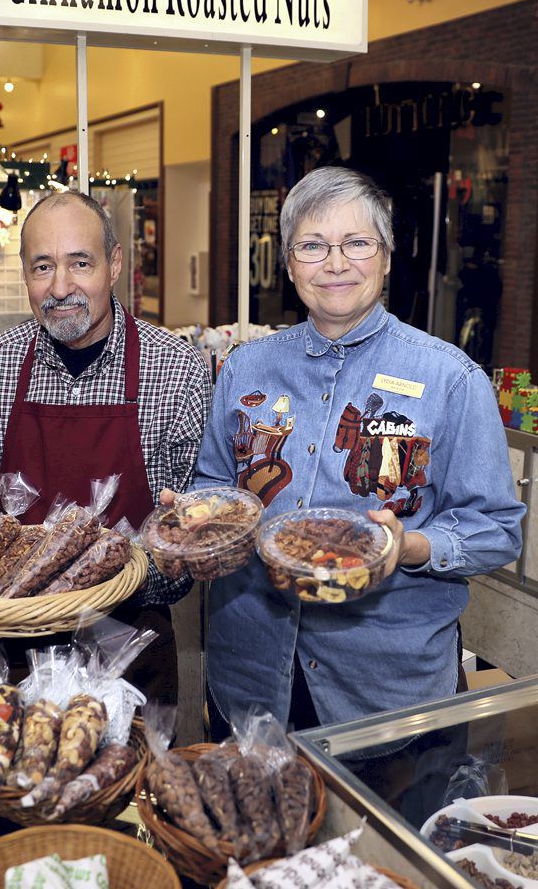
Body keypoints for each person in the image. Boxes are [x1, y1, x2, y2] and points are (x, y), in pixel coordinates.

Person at [189, 166, 524, 734]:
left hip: (385, 691)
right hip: (250, 676)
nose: (336, 264)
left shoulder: (450, 379)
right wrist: (199, 516)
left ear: (387, 257)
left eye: (357, 243)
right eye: (313, 246)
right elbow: (213, 482)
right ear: (290, 263)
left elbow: (496, 528)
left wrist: (412, 545)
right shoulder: (246, 366)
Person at [0, 190, 212, 700]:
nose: (60, 287)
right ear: (24, 273)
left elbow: (187, 525)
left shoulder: (176, 370)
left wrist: (105, 584)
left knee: (136, 780)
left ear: (113, 264)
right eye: (42, 267)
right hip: (12, 643)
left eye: (80, 263)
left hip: (133, 640)